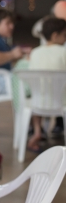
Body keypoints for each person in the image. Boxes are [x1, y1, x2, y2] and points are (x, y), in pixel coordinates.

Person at [27, 16, 66, 150]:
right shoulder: (63, 52)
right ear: (55, 36)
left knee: (39, 93)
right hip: (62, 102)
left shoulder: (35, 52)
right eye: (64, 35)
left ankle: (37, 131)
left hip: (39, 102)